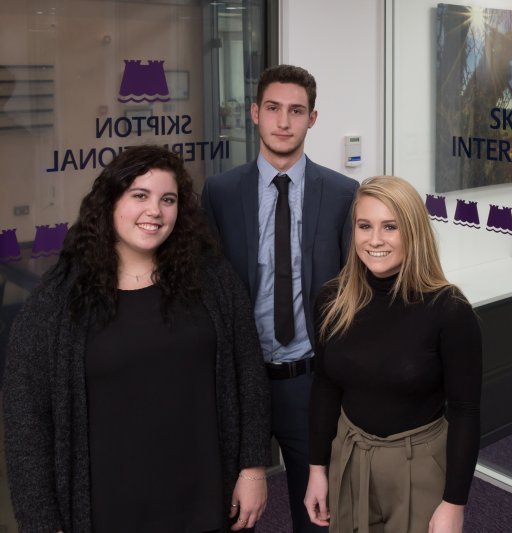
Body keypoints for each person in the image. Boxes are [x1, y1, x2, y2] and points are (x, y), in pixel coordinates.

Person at [3, 145, 270, 532]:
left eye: (168, 200)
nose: (155, 212)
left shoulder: (211, 278)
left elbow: (248, 370)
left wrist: (253, 467)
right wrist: (42, 522)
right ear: (111, 201)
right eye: (140, 196)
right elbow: (26, 419)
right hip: (107, 509)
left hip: (205, 499)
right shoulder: (59, 299)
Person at [202, 64, 358, 532]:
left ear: (312, 118)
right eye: (273, 109)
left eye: (296, 111)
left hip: (308, 382)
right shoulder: (220, 193)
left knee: (318, 517)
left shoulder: (343, 193)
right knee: (228, 514)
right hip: (238, 381)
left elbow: (355, 290)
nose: (284, 122)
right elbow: (204, 290)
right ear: (255, 113)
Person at [304, 176, 482, 533]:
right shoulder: (331, 300)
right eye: (364, 226)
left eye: (390, 227)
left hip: (418, 464)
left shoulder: (449, 309)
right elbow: (326, 385)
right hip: (350, 454)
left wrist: (454, 503)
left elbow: (466, 411)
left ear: (413, 232)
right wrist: (317, 468)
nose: (374, 240)